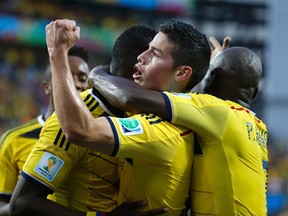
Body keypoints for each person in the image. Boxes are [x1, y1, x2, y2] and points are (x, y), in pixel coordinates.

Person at [24, 19, 212, 216]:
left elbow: (81, 129)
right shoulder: (194, 114)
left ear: (183, 72)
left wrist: (61, 54)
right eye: (146, 50)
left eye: (154, 53)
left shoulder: (160, 127)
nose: (142, 57)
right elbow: (23, 203)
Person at [89, 45, 268, 215]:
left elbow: (130, 98)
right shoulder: (258, 127)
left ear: (211, 79)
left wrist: (96, 75)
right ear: (255, 92)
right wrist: (216, 67)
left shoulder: (218, 111)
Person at [10, 25, 167, 216]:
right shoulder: (75, 118)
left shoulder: (139, 115)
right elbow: (22, 203)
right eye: (158, 63)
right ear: (139, 67)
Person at [0, 45, 90, 216]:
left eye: (82, 78)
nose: (76, 83)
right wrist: (25, 205)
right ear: (47, 86)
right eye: (67, 76)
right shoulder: (14, 139)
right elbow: (3, 203)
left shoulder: (99, 136)